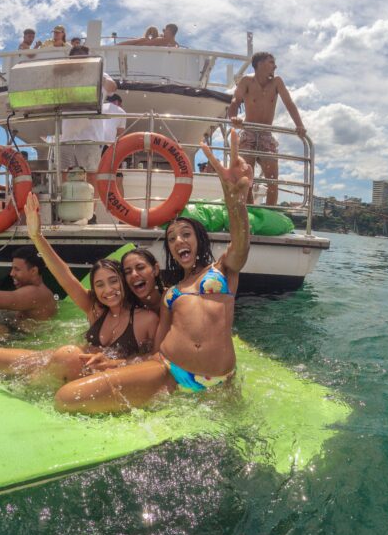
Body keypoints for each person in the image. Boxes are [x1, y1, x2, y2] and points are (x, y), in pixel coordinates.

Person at [53, 129, 252, 414]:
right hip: (169, 370)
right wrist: (119, 364)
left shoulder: (222, 270)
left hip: (218, 377)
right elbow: (155, 352)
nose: (179, 241)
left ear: (200, 240)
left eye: (185, 235)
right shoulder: (171, 293)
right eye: (171, 239)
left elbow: (242, 245)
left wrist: (236, 203)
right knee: (67, 397)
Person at [0, 194, 159, 383]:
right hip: (69, 362)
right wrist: (37, 236)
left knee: (66, 356)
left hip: (98, 374)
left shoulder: (146, 319)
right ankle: (31, 380)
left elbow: (155, 360)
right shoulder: (95, 309)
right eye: (99, 284)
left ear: (124, 281)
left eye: (113, 281)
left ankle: (28, 384)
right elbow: (65, 277)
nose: (108, 289)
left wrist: (115, 364)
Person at [227, 51, 306, 206]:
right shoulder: (247, 81)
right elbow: (236, 100)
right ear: (260, 63)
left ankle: (271, 212)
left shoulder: (277, 82)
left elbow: (289, 103)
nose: (275, 66)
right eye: (271, 62)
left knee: (272, 180)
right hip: (249, 132)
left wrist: (299, 125)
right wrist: (233, 118)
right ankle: (247, 211)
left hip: (266, 135)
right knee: (245, 178)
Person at [59, 46, 117, 183]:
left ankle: (92, 205)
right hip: (66, 136)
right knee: (63, 173)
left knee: (91, 175)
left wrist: (95, 73)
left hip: (90, 136)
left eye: (83, 57)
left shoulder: (100, 73)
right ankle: (64, 203)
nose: (80, 61)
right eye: (76, 58)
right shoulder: (64, 77)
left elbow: (112, 87)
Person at [121, 248, 164, 314]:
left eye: (140, 267)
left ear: (155, 269)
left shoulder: (174, 298)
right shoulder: (125, 310)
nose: (133, 274)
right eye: (127, 272)